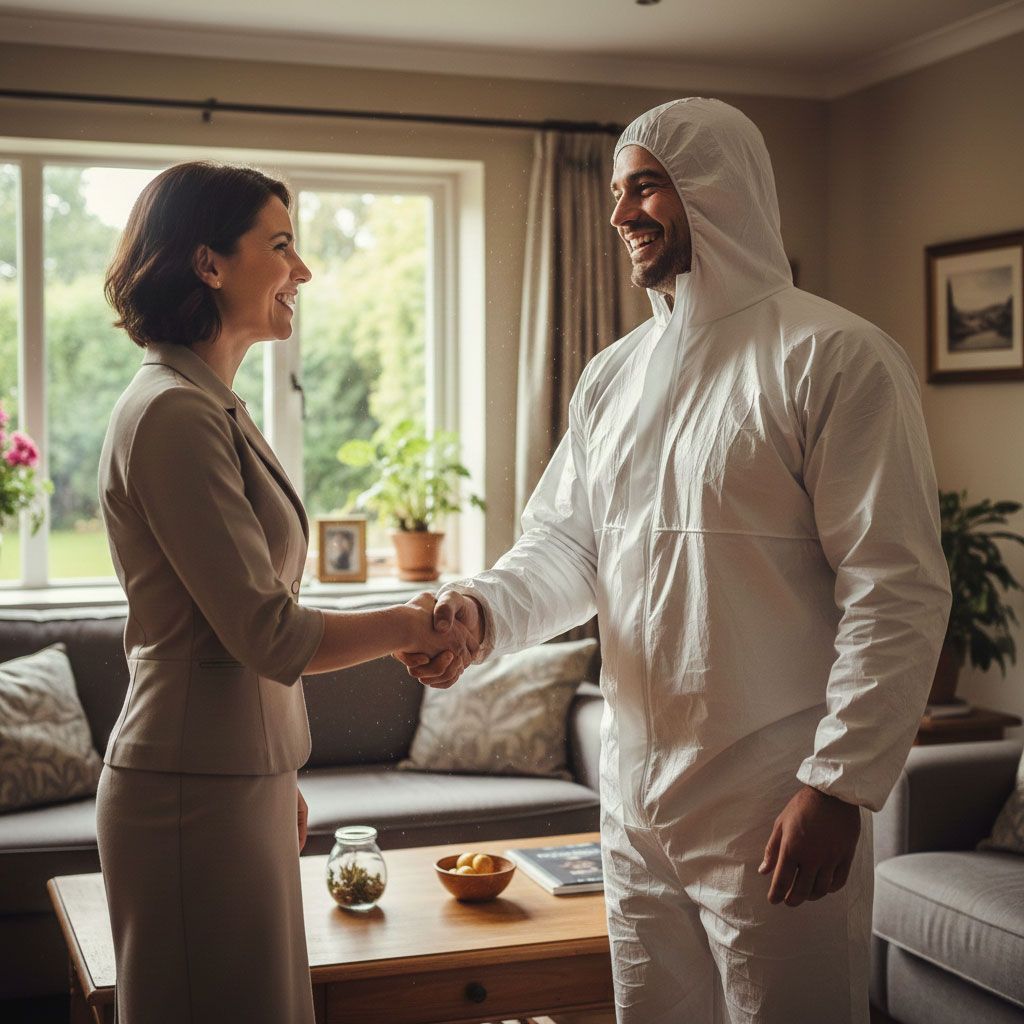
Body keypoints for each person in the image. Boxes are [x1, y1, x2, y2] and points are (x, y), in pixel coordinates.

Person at [399, 98, 951, 1023]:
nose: (620, 216)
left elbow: (895, 590)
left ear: (717, 189)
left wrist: (838, 785)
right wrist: (483, 612)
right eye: (618, 192)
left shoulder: (836, 357)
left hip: (777, 800)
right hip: (635, 805)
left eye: (645, 186)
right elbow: (566, 548)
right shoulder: (612, 375)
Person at [97, 161, 475, 1024]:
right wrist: (410, 623)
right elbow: (265, 632)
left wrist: (270, 769)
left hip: (233, 778)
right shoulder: (171, 414)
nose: (302, 271)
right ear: (208, 264)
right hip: (192, 793)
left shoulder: (209, 404)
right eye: (281, 247)